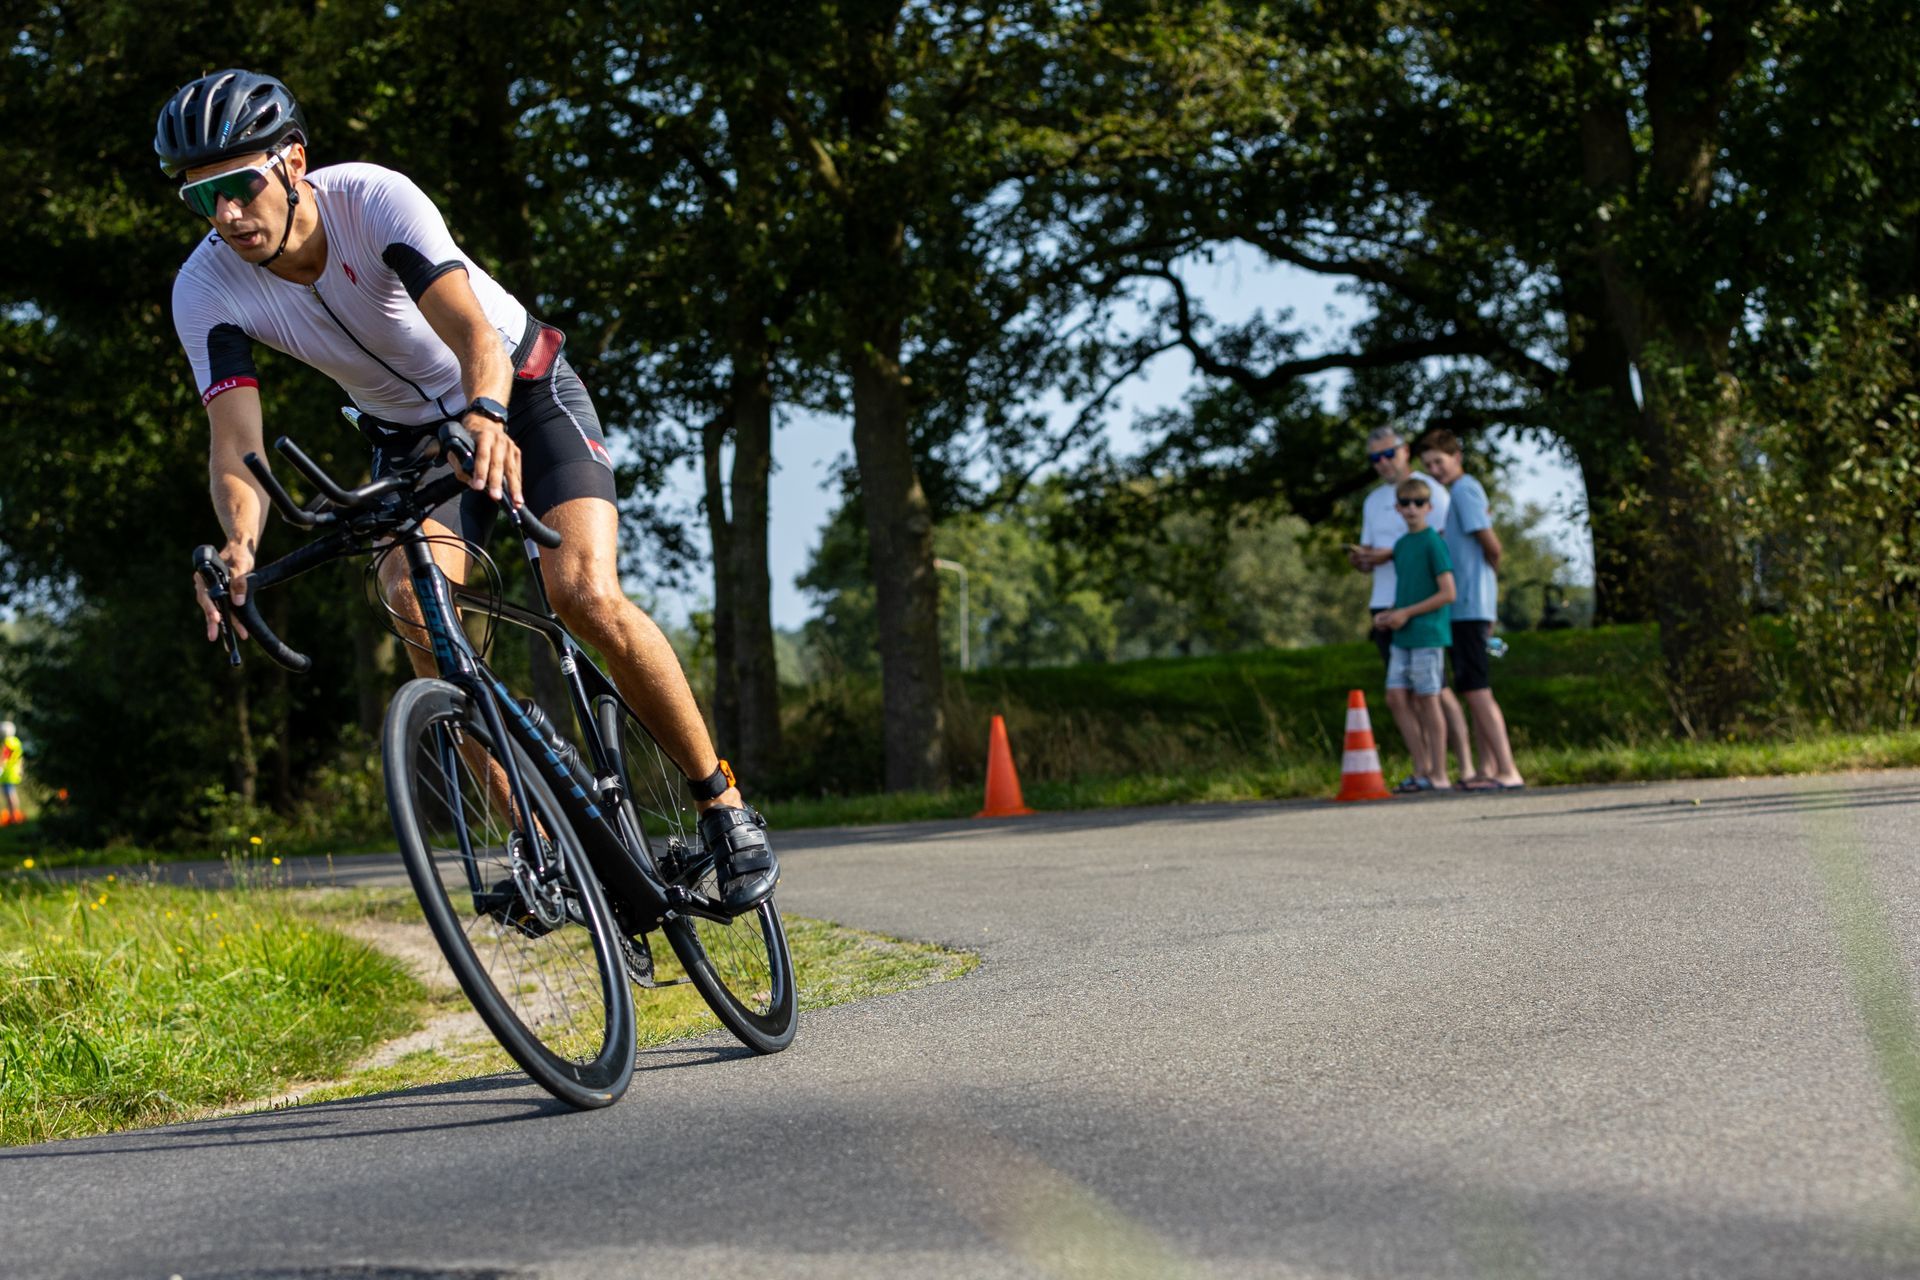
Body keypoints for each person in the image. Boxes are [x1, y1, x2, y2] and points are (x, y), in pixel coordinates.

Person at [157, 69, 776, 911]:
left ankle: (722, 804)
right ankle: (539, 844)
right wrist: (238, 545)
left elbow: (472, 332)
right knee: (414, 602)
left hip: (518, 387)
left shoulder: (372, 199)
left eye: (239, 187)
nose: (227, 217)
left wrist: (488, 415)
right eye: (203, 202)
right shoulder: (204, 287)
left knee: (583, 594)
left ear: (294, 162)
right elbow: (236, 443)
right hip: (409, 439)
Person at [1347, 425, 1473, 787]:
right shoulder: (1373, 501)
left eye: (1389, 454)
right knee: (1401, 692)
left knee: (1437, 690)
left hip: (1422, 604)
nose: (1383, 463)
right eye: (1375, 458)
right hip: (1386, 601)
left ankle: (1460, 767)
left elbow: (1441, 546)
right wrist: (1366, 559)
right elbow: (1374, 547)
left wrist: (1394, 553)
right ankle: (1425, 769)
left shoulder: (1430, 490)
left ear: (1405, 451)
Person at [1418, 430, 1526, 791]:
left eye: (1439, 462)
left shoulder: (1464, 491)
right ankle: (1489, 768)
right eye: (1428, 465)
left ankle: (1508, 770)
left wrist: (1486, 587)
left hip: (1469, 605)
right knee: (1472, 686)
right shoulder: (1458, 494)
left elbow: (1491, 547)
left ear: (1456, 456)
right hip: (1465, 606)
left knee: (1477, 688)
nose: (1434, 470)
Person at [1374, 478, 1456, 791]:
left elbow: (1448, 592)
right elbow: (1407, 588)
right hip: (1402, 634)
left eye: (1418, 503)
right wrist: (1393, 611)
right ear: (1397, 508)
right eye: (1405, 503)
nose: (1412, 509)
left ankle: (1439, 773)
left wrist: (1407, 613)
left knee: (1427, 698)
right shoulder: (1401, 546)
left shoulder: (1433, 542)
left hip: (1427, 634)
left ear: (1429, 508)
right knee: (1396, 696)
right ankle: (1421, 767)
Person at [0, 721, 22, 825]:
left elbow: (4, 758)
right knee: (12, 793)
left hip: (7, 774)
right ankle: (14, 814)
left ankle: (13, 816)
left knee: (9, 794)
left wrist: (0, 768)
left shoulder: (7, 743)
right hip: (14, 772)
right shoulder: (16, 741)